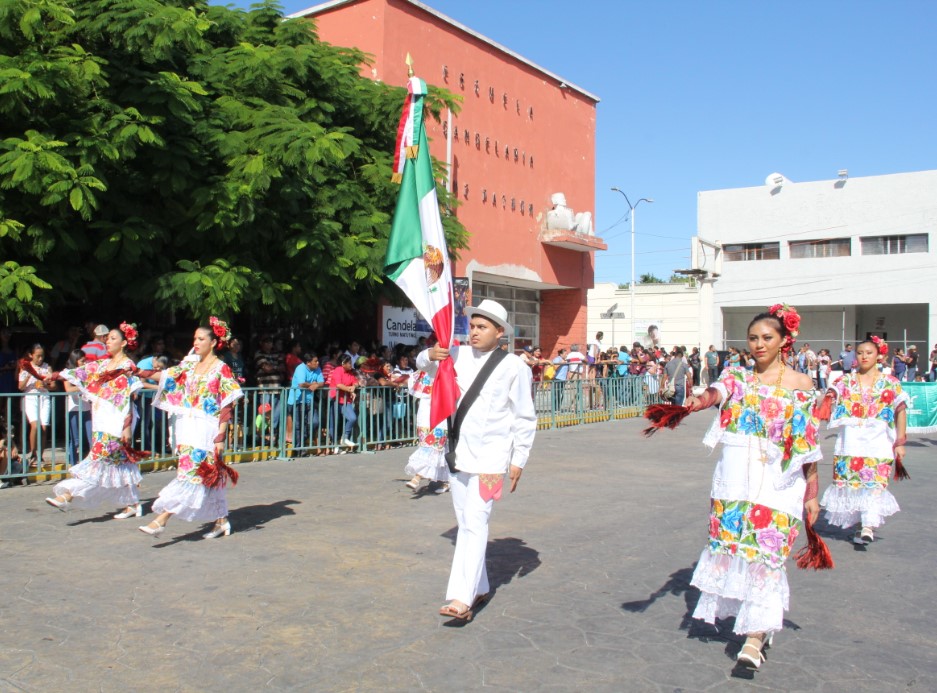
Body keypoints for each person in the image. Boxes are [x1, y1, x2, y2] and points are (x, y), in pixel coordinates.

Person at [682, 303, 821, 670]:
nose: (759, 344)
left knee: (767, 557)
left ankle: (755, 638)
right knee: (734, 549)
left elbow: (807, 444)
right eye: (753, 338)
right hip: (734, 481)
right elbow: (714, 393)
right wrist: (697, 402)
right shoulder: (737, 377)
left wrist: (812, 492)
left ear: (783, 341)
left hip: (780, 482)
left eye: (767, 338)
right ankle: (755, 624)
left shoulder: (802, 385)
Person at [417, 299, 537, 621]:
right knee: (467, 523)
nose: (474, 332)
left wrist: (519, 459)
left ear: (500, 333)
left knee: (475, 523)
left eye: (482, 327)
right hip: (457, 456)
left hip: (491, 462)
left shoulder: (515, 367)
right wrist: (429, 354)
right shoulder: (455, 354)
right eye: (472, 326)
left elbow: (524, 417)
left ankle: (460, 597)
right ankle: (480, 585)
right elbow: (420, 364)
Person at [139, 319, 243, 538]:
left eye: (201, 338)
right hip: (187, 426)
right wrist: (138, 372)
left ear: (213, 342)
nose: (196, 342)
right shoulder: (189, 365)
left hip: (207, 428)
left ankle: (162, 520)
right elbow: (167, 376)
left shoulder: (220, 368)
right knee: (207, 476)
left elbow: (228, 401)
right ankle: (221, 521)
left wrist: (221, 435)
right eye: (195, 338)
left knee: (191, 474)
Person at [45, 324, 144, 517]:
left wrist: (126, 427)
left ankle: (67, 495)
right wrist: (55, 375)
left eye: (113, 338)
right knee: (120, 463)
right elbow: (78, 372)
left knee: (97, 459)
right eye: (107, 338)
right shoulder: (102, 365)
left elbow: (128, 397)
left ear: (124, 343)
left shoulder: (127, 367)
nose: (108, 341)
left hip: (117, 421)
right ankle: (133, 504)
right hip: (101, 419)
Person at [818, 338, 909, 545]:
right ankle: (860, 523)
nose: (864, 356)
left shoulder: (890, 383)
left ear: (879, 356)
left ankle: (868, 523)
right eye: (860, 352)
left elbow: (900, 410)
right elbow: (829, 397)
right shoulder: (846, 381)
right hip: (851, 441)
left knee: (875, 481)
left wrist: (900, 442)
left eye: (869, 352)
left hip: (879, 441)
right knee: (854, 484)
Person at [404, 364, 450, 493]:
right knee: (434, 447)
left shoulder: (449, 370)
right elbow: (411, 380)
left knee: (433, 445)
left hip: (441, 411)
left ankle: (417, 476)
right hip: (425, 412)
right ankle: (446, 480)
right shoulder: (425, 370)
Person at [18, 343, 56, 466]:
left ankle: (40, 455)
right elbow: (20, 387)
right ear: (31, 355)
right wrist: (30, 374)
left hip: (44, 397)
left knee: (44, 427)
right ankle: (33, 454)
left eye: (42, 356)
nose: (40, 359)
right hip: (31, 397)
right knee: (35, 426)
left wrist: (45, 384)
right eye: (38, 356)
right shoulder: (26, 367)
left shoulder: (47, 367)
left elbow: (53, 386)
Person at [288, 353, 325, 450]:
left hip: (309, 400)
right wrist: (311, 385)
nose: (317, 363)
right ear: (308, 363)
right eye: (315, 361)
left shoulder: (317, 369)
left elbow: (322, 382)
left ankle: (303, 441)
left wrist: (316, 385)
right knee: (298, 425)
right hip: (297, 401)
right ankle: (299, 449)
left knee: (315, 422)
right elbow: (301, 384)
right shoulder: (301, 368)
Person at [62, 350, 92, 466]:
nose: (84, 363)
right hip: (73, 409)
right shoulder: (68, 373)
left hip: (86, 407)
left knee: (91, 437)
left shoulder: (87, 373)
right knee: (75, 439)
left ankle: (92, 464)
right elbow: (68, 389)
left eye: (85, 361)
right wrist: (81, 386)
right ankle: (73, 463)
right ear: (75, 361)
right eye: (82, 361)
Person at [327, 354, 358, 451]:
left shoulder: (350, 372)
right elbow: (339, 385)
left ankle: (344, 438)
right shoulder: (338, 370)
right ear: (343, 363)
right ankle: (334, 444)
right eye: (349, 363)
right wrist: (350, 390)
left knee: (352, 418)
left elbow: (355, 382)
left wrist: (354, 387)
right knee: (335, 423)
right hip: (335, 399)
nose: (350, 365)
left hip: (345, 401)